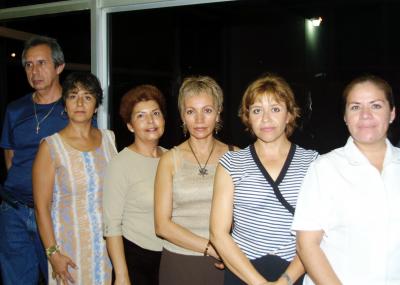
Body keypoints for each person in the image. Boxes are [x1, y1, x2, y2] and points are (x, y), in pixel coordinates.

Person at [210, 74, 318, 285]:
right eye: (257, 110)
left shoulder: (312, 162)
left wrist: (286, 280)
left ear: (289, 115)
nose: (266, 118)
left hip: (296, 270)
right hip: (242, 271)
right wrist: (258, 283)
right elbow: (218, 233)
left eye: (275, 109)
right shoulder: (231, 163)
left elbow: (317, 232)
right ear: (248, 117)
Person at [292, 75, 400, 284]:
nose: (365, 115)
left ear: (392, 113)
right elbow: (307, 245)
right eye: (355, 107)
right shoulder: (324, 168)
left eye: (376, 106)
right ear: (345, 116)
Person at [33, 72, 116, 285]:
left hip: (108, 249)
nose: (80, 103)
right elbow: (41, 207)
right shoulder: (50, 147)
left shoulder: (109, 139)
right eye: (73, 96)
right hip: (69, 253)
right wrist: (52, 254)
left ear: (96, 105)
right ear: (65, 103)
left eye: (87, 97)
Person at [154, 75, 237, 285]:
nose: (199, 120)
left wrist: (227, 250)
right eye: (191, 111)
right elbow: (162, 225)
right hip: (180, 263)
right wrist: (211, 247)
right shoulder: (169, 160)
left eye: (207, 110)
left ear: (218, 114)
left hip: (228, 263)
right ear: (182, 116)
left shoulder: (237, 156)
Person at [0, 35, 67, 285]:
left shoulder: (73, 110)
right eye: (28, 64)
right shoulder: (15, 110)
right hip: (13, 213)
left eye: (41, 63)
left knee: (61, 279)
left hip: (54, 215)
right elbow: (10, 159)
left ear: (59, 67)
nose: (34, 71)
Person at [103, 85, 167, 285]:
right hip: (136, 260)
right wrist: (122, 275)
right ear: (130, 125)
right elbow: (112, 225)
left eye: (155, 113)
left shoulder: (173, 157)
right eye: (141, 116)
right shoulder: (120, 164)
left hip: (171, 257)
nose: (151, 121)